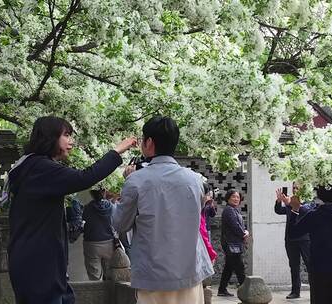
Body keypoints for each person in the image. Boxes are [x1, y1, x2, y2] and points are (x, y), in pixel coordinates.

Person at [7, 116, 136, 304]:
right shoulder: (41, 168)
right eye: (66, 135)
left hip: (35, 262)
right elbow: (85, 178)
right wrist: (117, 151)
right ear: (50, 137)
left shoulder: (29, 165)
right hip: (39, 266)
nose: (71, 141)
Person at [112, 116, 214, 304]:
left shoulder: (136, 181)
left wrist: (127, 184)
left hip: (153, 276)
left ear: (149, 142)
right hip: (190, 271)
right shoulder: (195, 180)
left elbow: (120, 223)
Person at [274, 185, 313, 299]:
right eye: (294, 187)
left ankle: (316, 288)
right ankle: (295, 291)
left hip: (305, 240)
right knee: (294, 266)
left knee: (310, 265)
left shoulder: (309, 202)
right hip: (290, 240)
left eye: (298, 188)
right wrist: (278, 201)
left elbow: (304, 210)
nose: (295, 190)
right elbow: (279, 210)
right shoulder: (289, 201)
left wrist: (290, 203)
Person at [218, 189, 249, 297]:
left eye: (238, 197)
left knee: (229, 267)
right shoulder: (229, 210)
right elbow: (234, 226)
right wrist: (243, 234)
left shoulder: (234, 210)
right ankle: (246, 291)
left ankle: (222, 289)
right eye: (233, 197)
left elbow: (240, 225)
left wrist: (245, 231)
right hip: (231, 243)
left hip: (235, 243)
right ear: (228, 198)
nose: (236, 199)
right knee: (239, 267)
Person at [82, 188, 115, 281]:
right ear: (104, 193)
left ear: (91, 194)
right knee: (110, 274)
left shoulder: (87, 208)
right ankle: (110, 294)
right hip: (109, 243)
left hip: (91, 243)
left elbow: (84, 221)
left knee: (94, 277)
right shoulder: (111, 206)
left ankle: (97, 294)